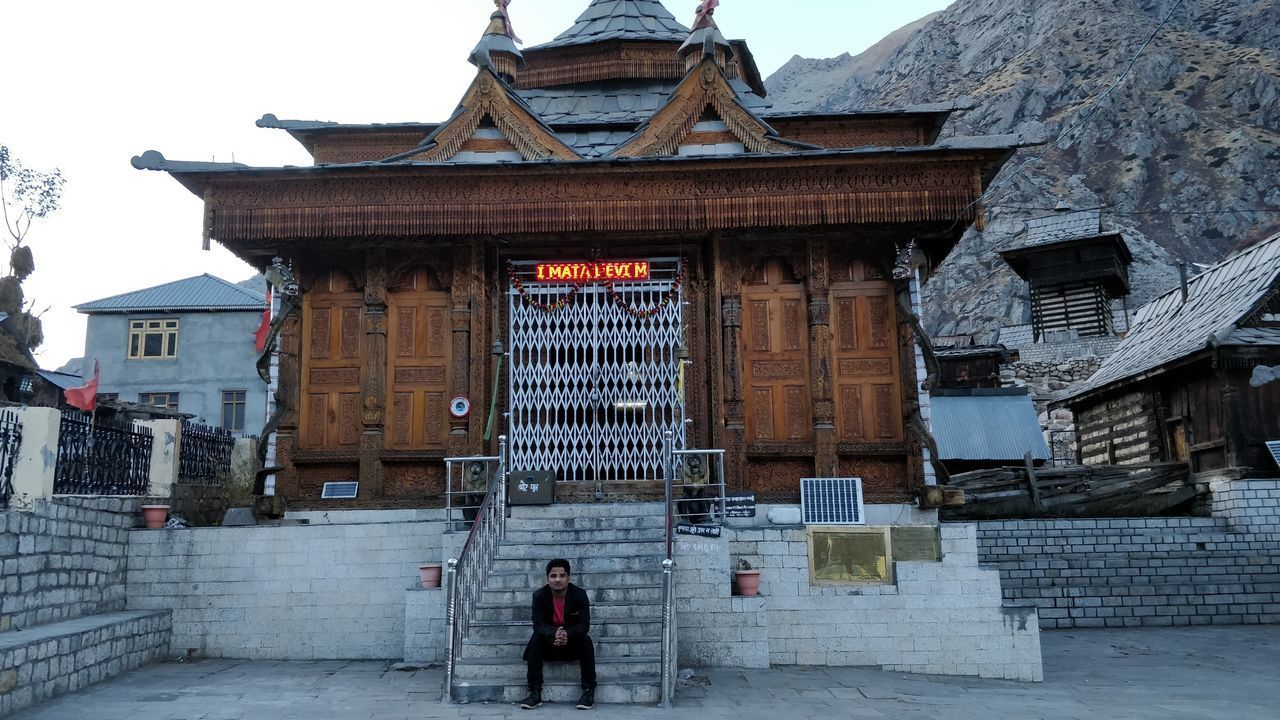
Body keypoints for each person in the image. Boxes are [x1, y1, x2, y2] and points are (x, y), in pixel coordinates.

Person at [520, 559, 596, 710]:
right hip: (549, 644)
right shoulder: (539, 596)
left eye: (562, 575)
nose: (558, 579)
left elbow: (584, 624)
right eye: (553, 576)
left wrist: (566, 634)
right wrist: (554, 634)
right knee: (536, 639)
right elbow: (538, 624)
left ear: (569, 577)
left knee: (586, 641)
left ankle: (588, 691)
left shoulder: (579, 594)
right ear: (547, 578)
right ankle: (535, 692)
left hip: (571, 644)